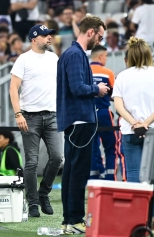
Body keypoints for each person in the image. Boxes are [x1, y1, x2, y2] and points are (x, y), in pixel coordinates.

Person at [56, 14, 108, 234]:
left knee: (71, 171)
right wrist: (98, 89)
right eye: (99, 36)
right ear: (90, 32)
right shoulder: (76, 55)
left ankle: (69, 220)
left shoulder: (70, 54)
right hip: (80, 120)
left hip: (73, 120)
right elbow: (78, 88)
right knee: (77, 172)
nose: (100, 41)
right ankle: (75, 220)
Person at [112, 37, 154, 227]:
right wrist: (147, 122)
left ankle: (136, 219)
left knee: (133, 175)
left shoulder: (122, 76)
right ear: (148, 54)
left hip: (131, 131)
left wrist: (135, 123)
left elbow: (119, 106)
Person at [9, 24, 63, 217]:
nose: (49, 38)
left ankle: (43, 194)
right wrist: (18, 114)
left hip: (52, 115)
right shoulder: (23, 59)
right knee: (31, 163)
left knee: (57, 157)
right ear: (34, 39)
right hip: (29, 116)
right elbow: (13, 88)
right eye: (45, 35)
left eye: (50, 35)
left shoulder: (54, 58)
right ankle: (32, 202)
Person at [89, 45, 117, 181]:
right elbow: (115, 94)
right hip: (104, 113)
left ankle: (94, 178)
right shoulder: (108, 73)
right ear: (100, 56)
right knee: (110, 146)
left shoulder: (84, 71)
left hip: (88, 114)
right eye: (106, 56)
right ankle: (110, 177)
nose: (106, 59)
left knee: (93, 148)